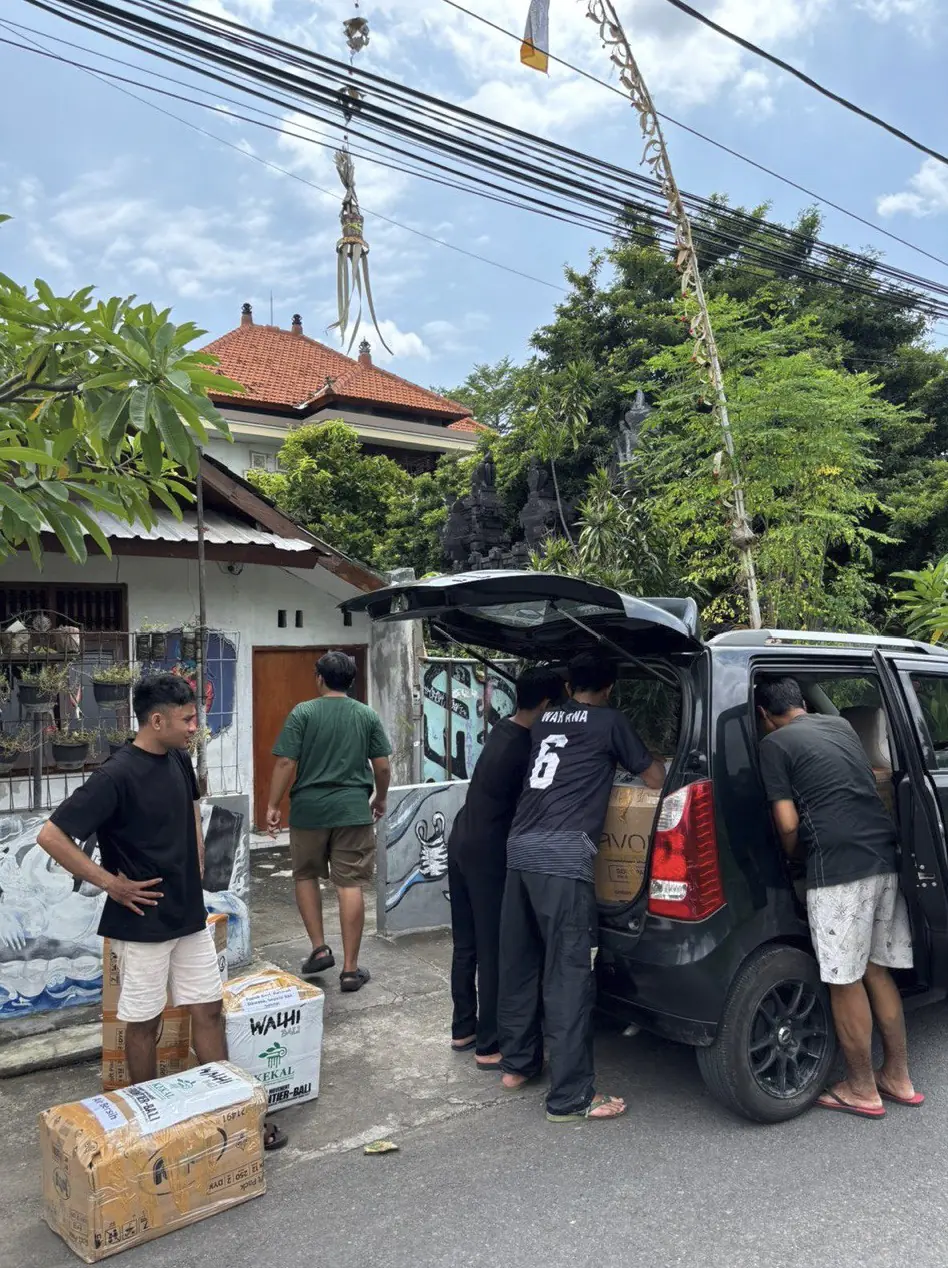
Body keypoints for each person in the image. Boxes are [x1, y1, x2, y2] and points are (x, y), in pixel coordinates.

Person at [36, 672, 287, 1149]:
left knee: (208, 1011)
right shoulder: (115, 775)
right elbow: (50, 835)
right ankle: (150, 1125)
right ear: (156, 720)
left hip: (187, 914)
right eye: (187, 719)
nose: (195, 726)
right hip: (142, 923)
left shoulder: (178, 757)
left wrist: (194, 862)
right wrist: (111, 883)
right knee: (144, 1024)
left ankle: (233, 1110)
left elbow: (190, 807)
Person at [498, 651, 666, 1122]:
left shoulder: (545, 719)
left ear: (570, 685)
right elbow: (655, 777)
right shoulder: (610, 722)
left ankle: (517, 1064)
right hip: (564, 857)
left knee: (521, 960)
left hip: (520, 849)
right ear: (610, 688)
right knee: (569, 971)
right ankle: (571, 1097)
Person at [756, 677, 921, 1119]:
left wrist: (794, 860)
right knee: (876, 970)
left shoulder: (775, 745)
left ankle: (862, 1089)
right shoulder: (841, 727)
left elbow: (788, 824)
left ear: (764, 716)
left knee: (843, 979)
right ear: (801, 705)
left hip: (837, 868)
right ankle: (898, 1078)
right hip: (882, 855)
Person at [448, 667, 563, 1069]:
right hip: (487, 854)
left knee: (466, 945)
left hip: (461, 840)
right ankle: (489, 1045)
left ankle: (463, 1028)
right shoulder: (527, 747)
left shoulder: (502, 730)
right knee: (495, 947)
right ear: (548, 705)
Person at [267, 650, 391, 993]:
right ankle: (350, 970)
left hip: (309, 809)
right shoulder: (366, 715)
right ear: (350, 681)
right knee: (349, 884)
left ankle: (320, 948)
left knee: (305, 875)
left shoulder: (303, 712)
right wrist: (379, 798)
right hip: (352, 809)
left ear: (319, 678)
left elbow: (284, 763)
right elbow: (381, 766)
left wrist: (272, 805)